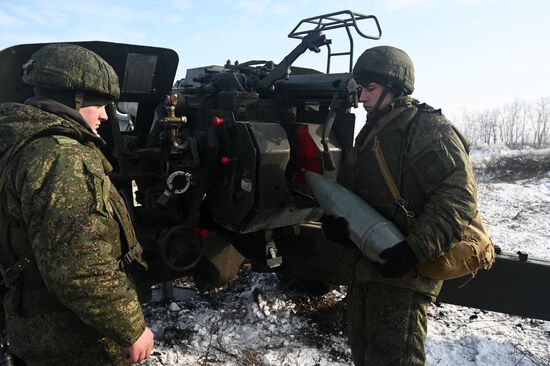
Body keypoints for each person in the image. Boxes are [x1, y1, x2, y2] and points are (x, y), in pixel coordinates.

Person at [322, 45, 478, 365]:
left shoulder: (425, 128)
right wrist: (338, 225)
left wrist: (414, 250)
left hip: (403, 278)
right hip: (366, 270)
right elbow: (355, 193)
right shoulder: (371, 131)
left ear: (394, 88)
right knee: (364, 357)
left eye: (370, 88)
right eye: (360, 88)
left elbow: (458, 195)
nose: (362, 97)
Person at [0, 43, 154, 365]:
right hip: (73, 339)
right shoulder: (61, 156)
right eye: (100, 104)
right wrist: (131, 327)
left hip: (36, 325)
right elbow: (80, 265)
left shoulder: (21, 141)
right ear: (74, 100)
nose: (105, 115)